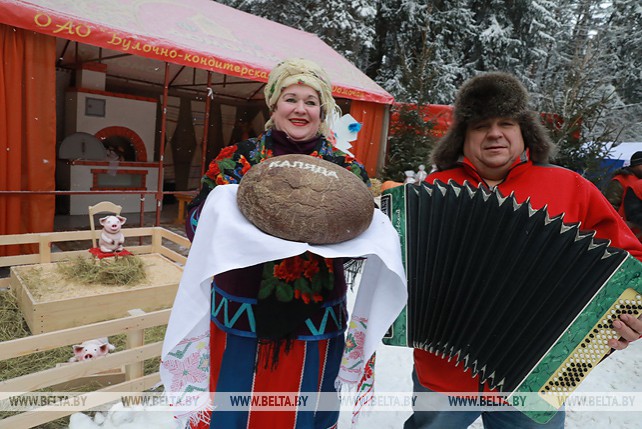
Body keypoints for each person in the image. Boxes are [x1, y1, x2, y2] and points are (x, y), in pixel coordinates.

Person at [160, 58, 408, 429]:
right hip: (242, 309)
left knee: (303, 407)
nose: (300, 109)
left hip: (316, 313)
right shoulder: (237, 161)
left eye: (311, 101)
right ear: (274, 105)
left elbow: (359, 237)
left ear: (322, 110)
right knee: (236, 406)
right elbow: (196, 224)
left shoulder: (346, 169)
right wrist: (227, 216)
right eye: (291, 98)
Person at [404, 72, 642, 429]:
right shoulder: (431, 193)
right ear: (463, 137)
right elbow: (396, 268)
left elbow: (632, 261)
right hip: (443, 373)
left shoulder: (571, 188)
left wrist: (628, 314)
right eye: (481, 125)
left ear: (524, 131)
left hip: (542, 373)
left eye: (506, 123)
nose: (495, 133)